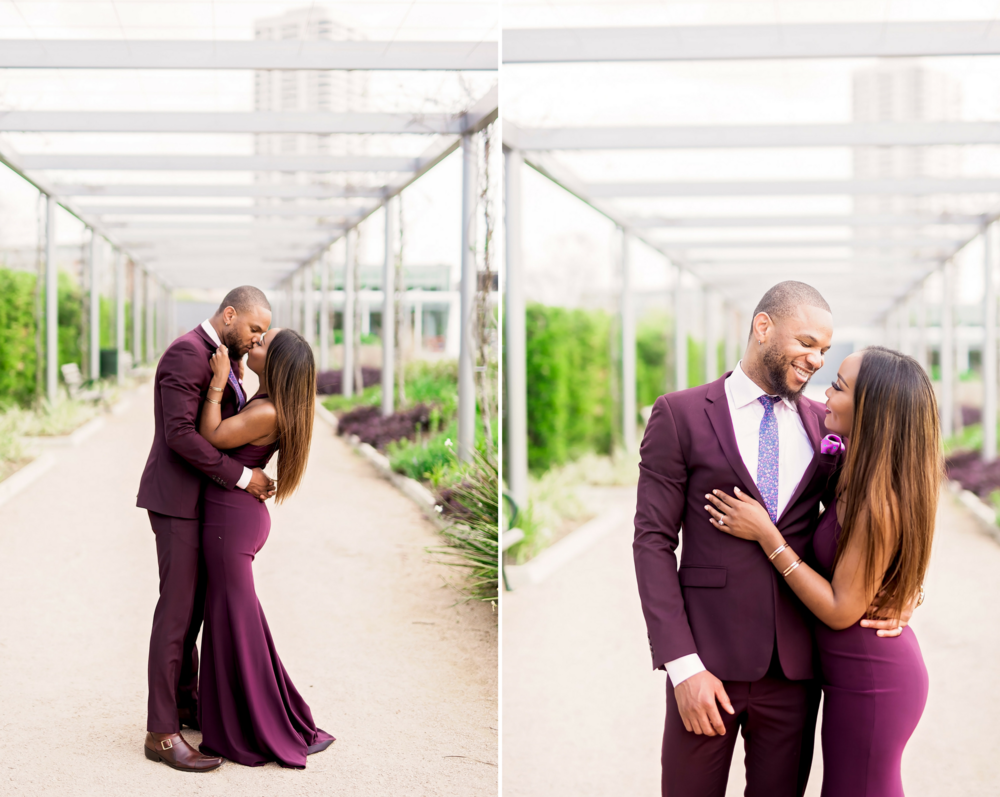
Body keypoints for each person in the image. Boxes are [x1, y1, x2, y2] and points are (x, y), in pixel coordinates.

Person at [633, 281, 913, 797]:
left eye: (825, 351)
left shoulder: (824, 424)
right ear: (763, 327)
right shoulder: (680, 414)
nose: (816, 360)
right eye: (807, 342)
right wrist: (683, 668)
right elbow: (651, 542)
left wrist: (901, 588)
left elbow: (879, 512)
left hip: (795, 674)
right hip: (705, 667)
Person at [703, 346, 935, 796]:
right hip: (850, 675)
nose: (824, 391)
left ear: (873, 408)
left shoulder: (875, 500)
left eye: (840, 386)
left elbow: (839, 609)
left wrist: (768, 536)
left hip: (871, 681)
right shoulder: (859, 471)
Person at [137, 286, 275, 772]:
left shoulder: (223, 358)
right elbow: (180, 436)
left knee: (193, 609)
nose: (259, 338)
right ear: (230, 314)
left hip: (203, 505)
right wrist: (242, 477)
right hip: (175, 503)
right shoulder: (186, 353)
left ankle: (186, 704)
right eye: (256, 328)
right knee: (175, 615)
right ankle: (161, 732)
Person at [195, 327, 335, 768]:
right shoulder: (267, 401)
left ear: (274, 364)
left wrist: (218, 382)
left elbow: (211, 436)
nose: (252, 345)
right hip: (233, 518)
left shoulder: (269, 411)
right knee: (236, 621)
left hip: (230, 524)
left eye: (261, 344)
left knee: (234, 624)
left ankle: (257, 723)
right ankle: (246, 713)